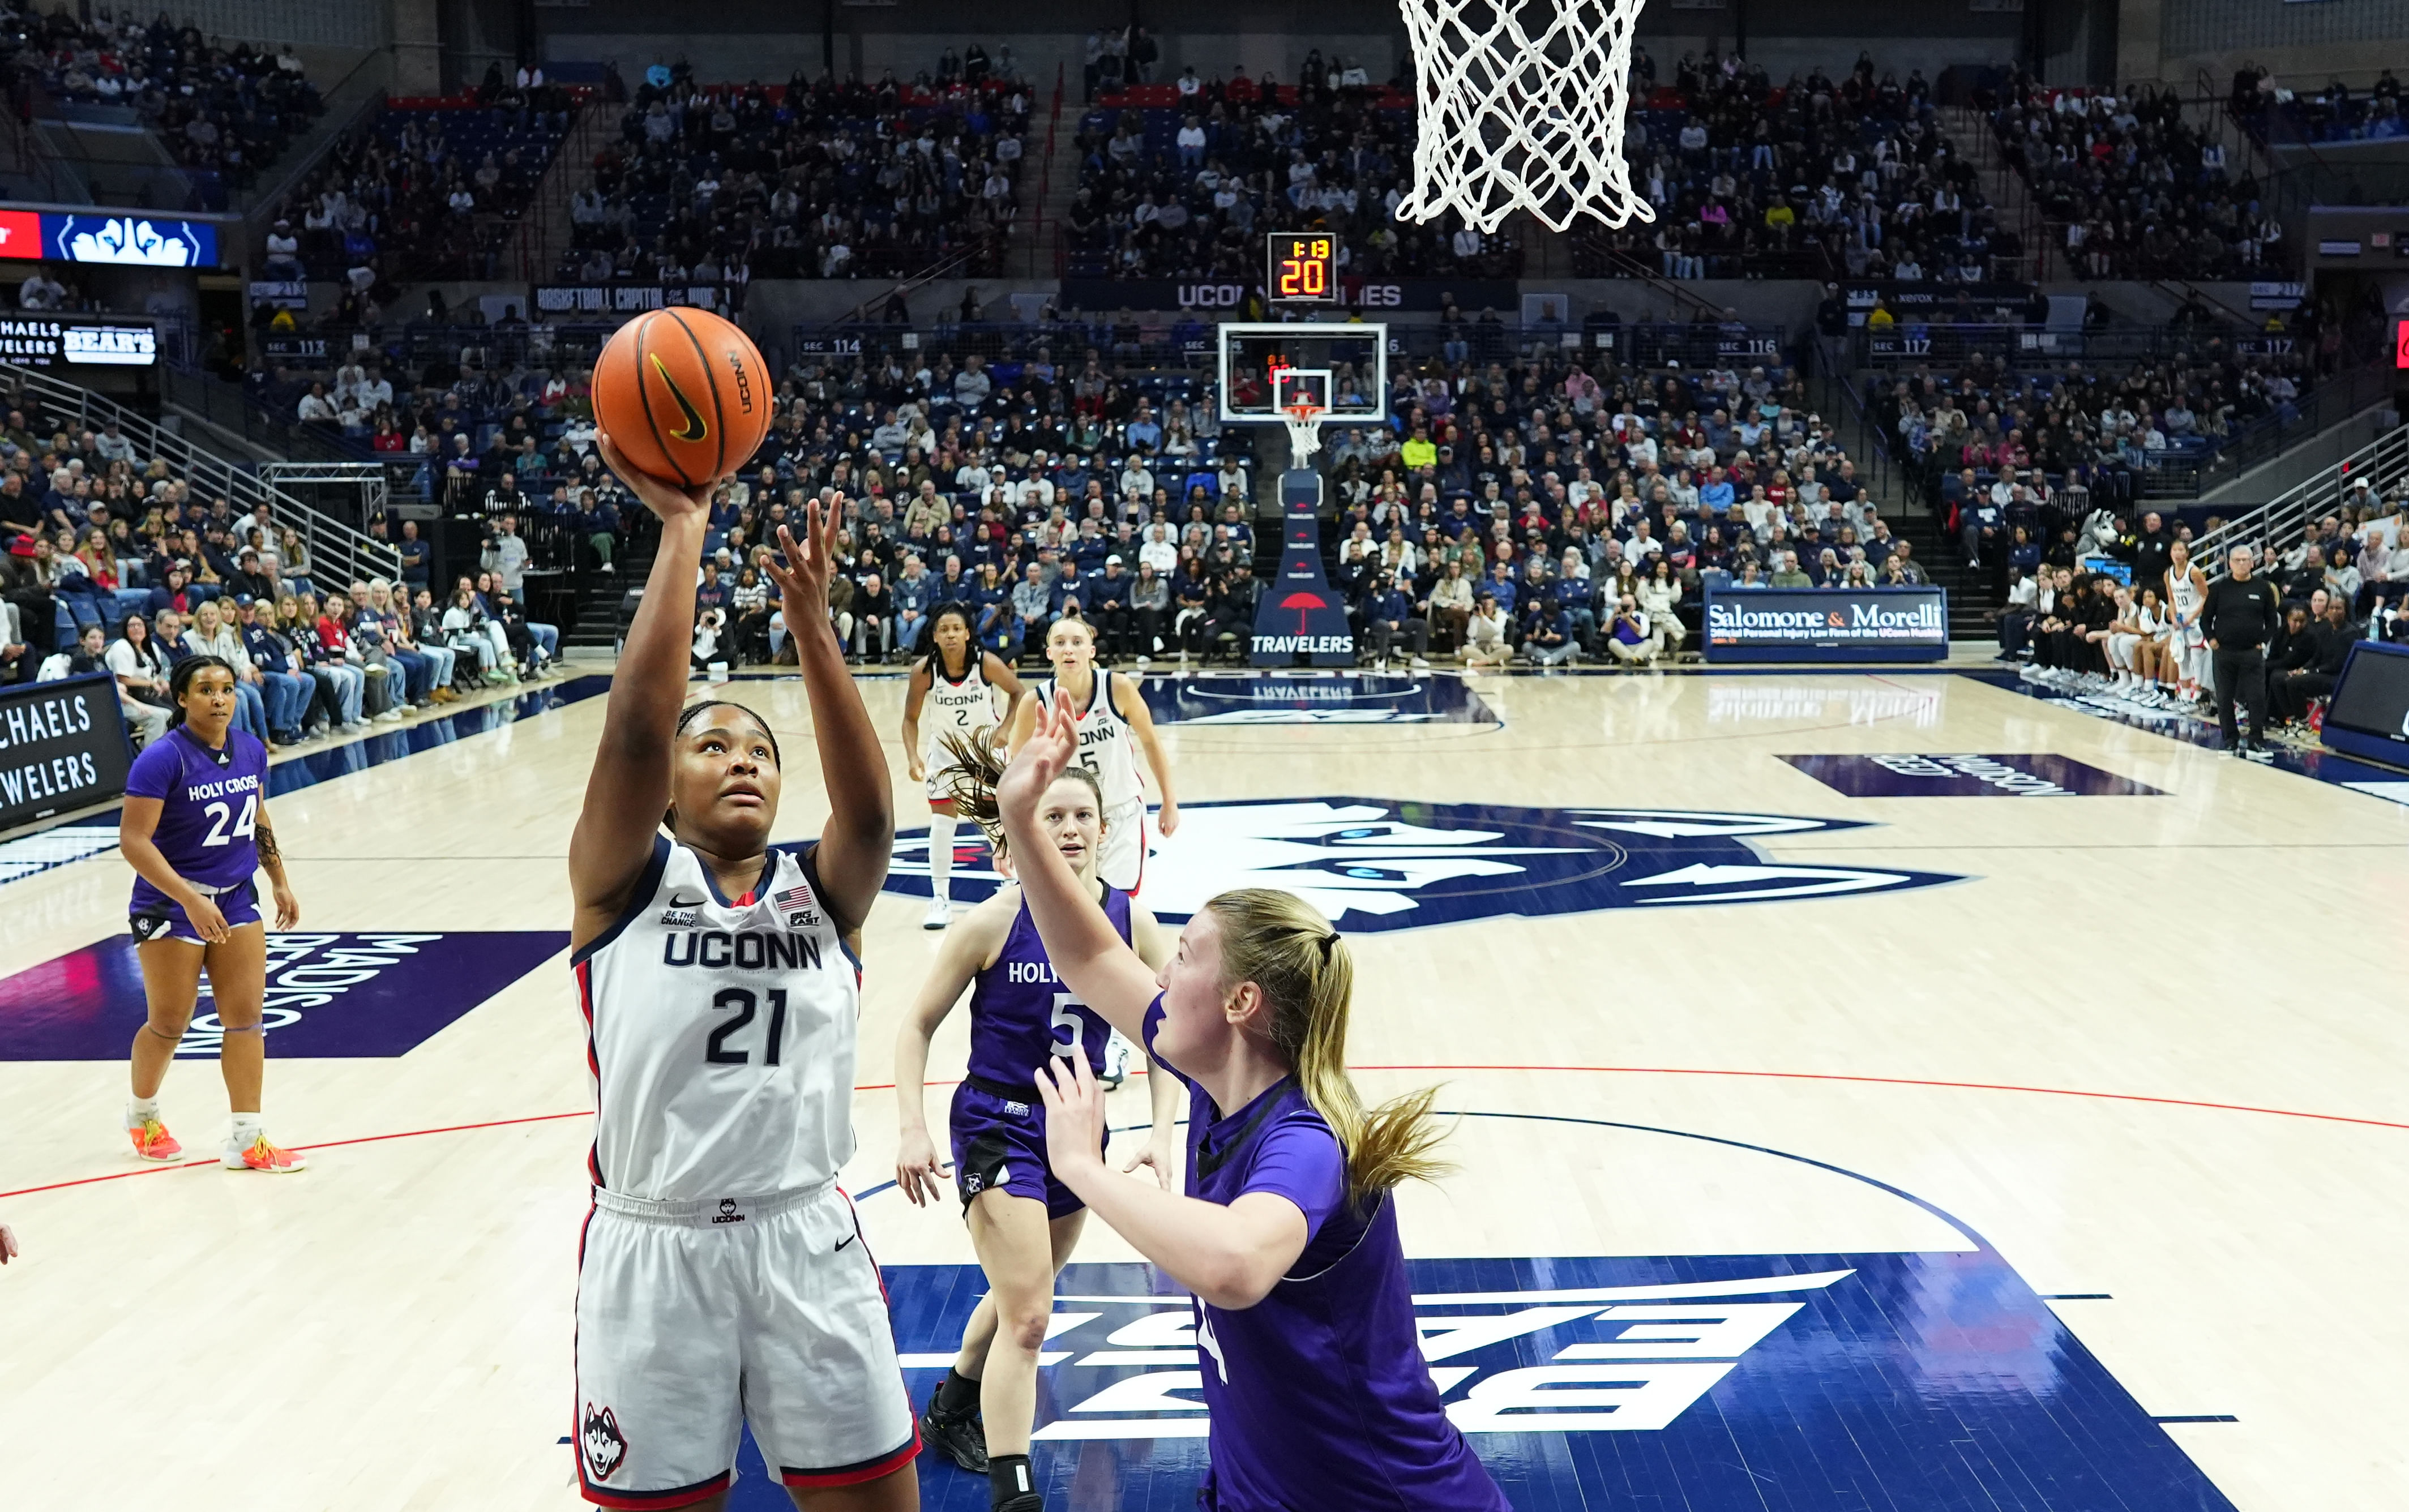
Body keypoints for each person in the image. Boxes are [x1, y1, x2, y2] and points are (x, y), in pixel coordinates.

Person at [996, 697, 1512, 1512]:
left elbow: (1234, 1264)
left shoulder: (1307, 1139)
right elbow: (1091, 954)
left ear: (1239, 1001)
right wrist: (1018, 818)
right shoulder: (1214, 1073)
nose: (1160, 968)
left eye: (1185, 953)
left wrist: (1082, 1169)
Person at [565, 431, 918, 1511]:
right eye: (712, 747)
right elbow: (631, 733)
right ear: (669, 791)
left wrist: (813, 628)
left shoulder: (826, 892)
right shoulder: (624, 880)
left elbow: (868, 811)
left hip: (805, 1234)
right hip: (655, 1249)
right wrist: (685, 531)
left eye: (760, 751)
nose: (743, 762)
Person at [892, 744, 1179, 1512]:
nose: (1070, 827)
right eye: (1052, 815)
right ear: (1024, 830)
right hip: (995, 1124)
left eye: (1082, 814)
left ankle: (953, 1398)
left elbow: (1168, 1033)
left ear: (1103, 827)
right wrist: (910, 1126)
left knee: (1025, 1287)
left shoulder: (1132, 919)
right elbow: (916, 1024)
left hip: (1076, 1132)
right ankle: (1012, 1489)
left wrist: (1161, 1127)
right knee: (1029, 1315)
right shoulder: (990, 920)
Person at [118, 654, 306, 1173]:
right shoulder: (161, 759)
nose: (219, 698)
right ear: (182, 698)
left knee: (246, 1019)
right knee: (170, 1022)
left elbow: (257, 814)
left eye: (226, 689)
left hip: (235, 895)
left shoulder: (249, 748)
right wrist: (188, 898)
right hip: (170, 902)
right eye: (205, 689)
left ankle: (248, 1136)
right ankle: (142, 1115)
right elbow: (133, 842)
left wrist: (279, 878)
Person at [1008, 614, 1179, 1088]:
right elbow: (1014, 772)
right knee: (1060, 917)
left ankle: (1122, 1036)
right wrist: (1004, 833)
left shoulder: (1116, 688)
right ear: (1047, 653)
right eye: (1059, 642)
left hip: (1117, 817)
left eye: (1076, 641)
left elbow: (1149, 739)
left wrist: (1168, 798)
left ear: (1091, 649)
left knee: (1114, 920)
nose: (1068, 648)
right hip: (1062, 818)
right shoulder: (1034, 702)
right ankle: (1063, 1016)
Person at [901, 602, 1028, 930]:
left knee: (999, 825)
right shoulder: (924, 671)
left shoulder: (985, 664)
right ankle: (940, 900)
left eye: (957, 628)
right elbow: (910, 720)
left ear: (968, 633)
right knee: (942, 826)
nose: (951, 635)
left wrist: (1005, 730)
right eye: (944, 630)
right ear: (935, 636)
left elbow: (1019, 693)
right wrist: (913, 757)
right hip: (945, 757)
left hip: (986, 754)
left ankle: (1017, 889)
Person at [2201, 544, 2279, 757]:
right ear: (2230, 563)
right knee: (2225, 698)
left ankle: (2256, 741)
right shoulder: (2220, 588)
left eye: (2246, 560)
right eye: (2238, 560)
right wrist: (2212, 641)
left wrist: (2263, 642)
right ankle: (2230, 741)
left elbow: (2272, 621)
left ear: (2253, 562)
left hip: (2251, 653)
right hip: (2224, 652)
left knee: (2256, 698)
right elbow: (2206, 619)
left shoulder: (2263, 588)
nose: (2242, 563)